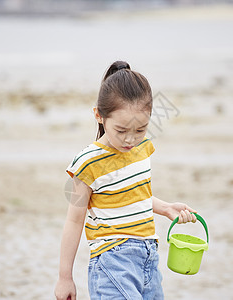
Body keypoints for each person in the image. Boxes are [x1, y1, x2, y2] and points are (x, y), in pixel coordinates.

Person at [55, 61, 198, 300]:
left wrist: (164, 208)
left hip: (149, 258)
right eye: (121, 131)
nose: (130, 139)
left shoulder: (142, 148)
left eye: (141, 129)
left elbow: (130, 195)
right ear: (99, 116)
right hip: (112, 262)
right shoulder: (87, 162)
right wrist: (64, 277)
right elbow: (73, 220)